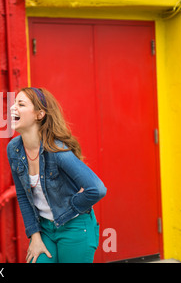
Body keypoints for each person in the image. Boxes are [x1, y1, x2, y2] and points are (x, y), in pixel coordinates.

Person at [7, 87, 107, 263]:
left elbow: (97, 189)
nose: (12, 108)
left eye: (20, 104)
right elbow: (23, 195)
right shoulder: (14, 149)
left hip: (75, 227)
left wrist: (72, 205)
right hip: (45, 230)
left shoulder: (57, 151)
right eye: (14, 103)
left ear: (39, 114)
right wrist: (34, 236)